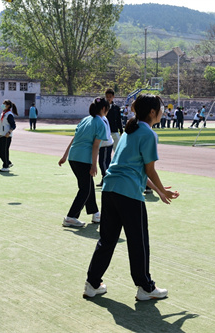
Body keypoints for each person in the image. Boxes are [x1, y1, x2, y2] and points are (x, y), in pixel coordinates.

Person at [83, 94, 179, 301]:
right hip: (128, 194)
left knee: (107, 240)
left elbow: (135, 170)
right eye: (161, 109)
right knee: (139, 241)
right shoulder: (148, 133)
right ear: (152, 112)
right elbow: (149, 170)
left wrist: (160, 191)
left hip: (110, 189)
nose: (163, 112)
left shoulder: (130, 130)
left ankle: (92, 283)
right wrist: (162, 190)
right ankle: (145, 287)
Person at [58, 97, 109, 227]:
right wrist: (94, 165)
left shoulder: (85, 119)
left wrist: (65, 155)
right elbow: (95, 147)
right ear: (103, 109)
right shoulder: (100, 123)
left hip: (73, 157)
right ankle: (71, 217)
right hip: (83, 159)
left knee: (88, 186)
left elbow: (74, 138)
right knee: (85, 189)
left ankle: (96, 213)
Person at [0, 99, 18, 172]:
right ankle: (8, 162)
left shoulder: (9, 114)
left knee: (5, 151)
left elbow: (13, 125)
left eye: (4, 104)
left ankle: (5, 166)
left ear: (8, 105)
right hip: (2, 134)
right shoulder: (3, 113)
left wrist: (9, 132)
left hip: (6, 136)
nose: (2, 105)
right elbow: (4, 125)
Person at [97, 110, 114, 187]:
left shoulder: (101, 119)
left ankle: (107, 179)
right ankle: (105, 178)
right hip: (105, 144)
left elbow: (105, 134)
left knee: (103, 162)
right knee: (105, 162)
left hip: (105, 144)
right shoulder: (102, 118)